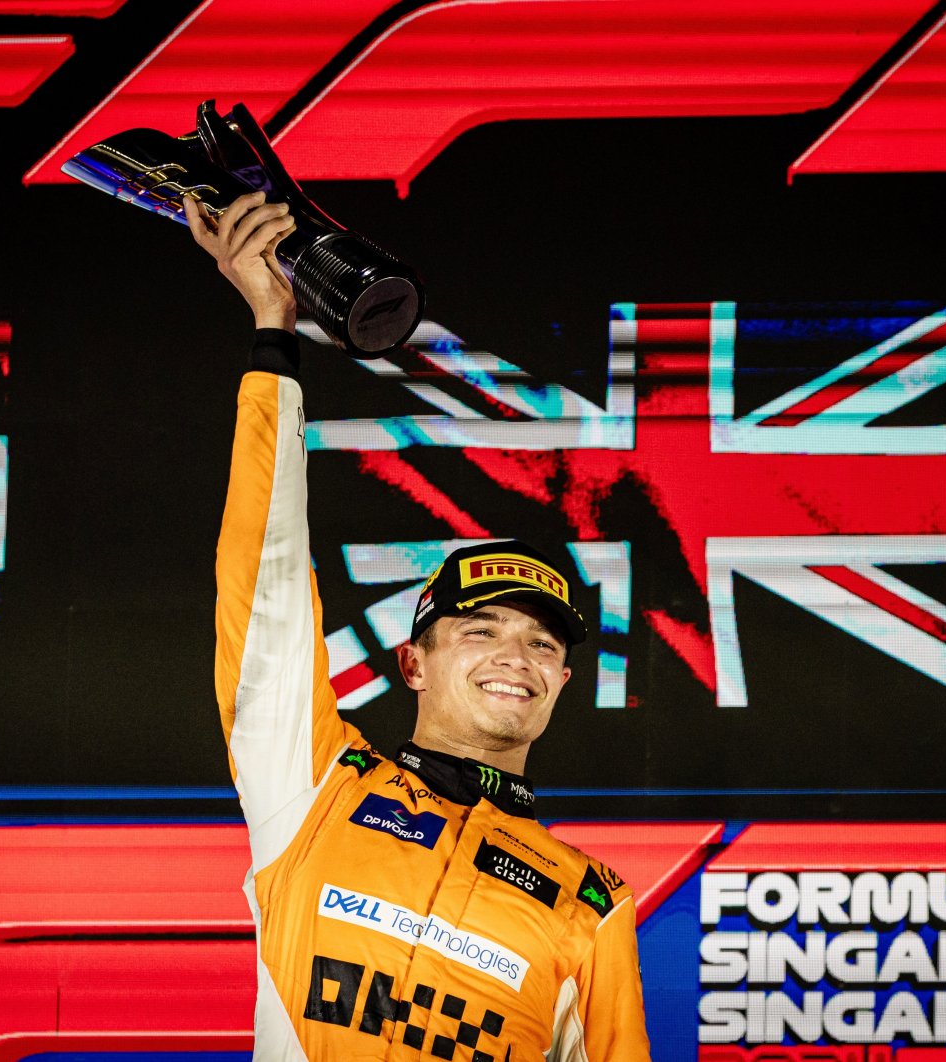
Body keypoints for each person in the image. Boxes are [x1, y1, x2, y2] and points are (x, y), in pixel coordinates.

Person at [189, 191, 652, 1061]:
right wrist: (273, 335)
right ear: (412, 662)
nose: (516, 655)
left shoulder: (591, 905)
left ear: (558, 683)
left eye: (543, 644)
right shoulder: (314, 786)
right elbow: (268, 584)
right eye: (481, 631)